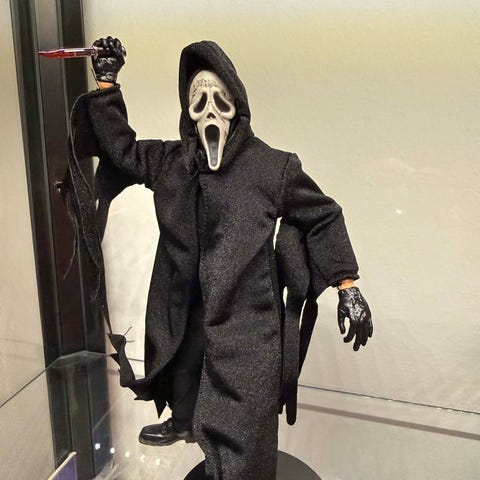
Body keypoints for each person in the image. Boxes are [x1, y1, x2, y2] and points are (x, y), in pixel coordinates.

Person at [65, 36, 373, 480]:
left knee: (243, 425)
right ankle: (186, 420)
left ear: (236, 106)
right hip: (186, 310)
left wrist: (348, 285)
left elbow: (323, 214)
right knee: (184, 376)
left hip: (248, 320)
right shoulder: (173, 161)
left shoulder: (271, 167)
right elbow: (123, 151)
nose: (210, 110)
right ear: (188, 111)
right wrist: (107, 84)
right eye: (199, 100)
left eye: (220, 100)